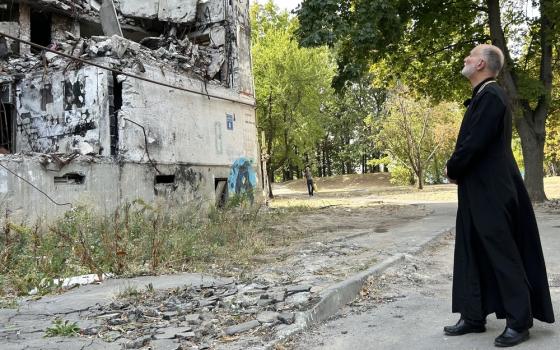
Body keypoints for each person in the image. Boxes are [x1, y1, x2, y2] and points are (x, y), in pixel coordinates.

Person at [444, 44, 554, 347]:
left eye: (470, 55)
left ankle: (519, 321)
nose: (466, 58)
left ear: (481, 63)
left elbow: (474, 144)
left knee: (502, 253)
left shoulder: (492, 96)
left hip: (492, 190)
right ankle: (474, 315)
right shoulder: (483, 96)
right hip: (477, 188)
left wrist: (452, 167)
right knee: (472, 249)